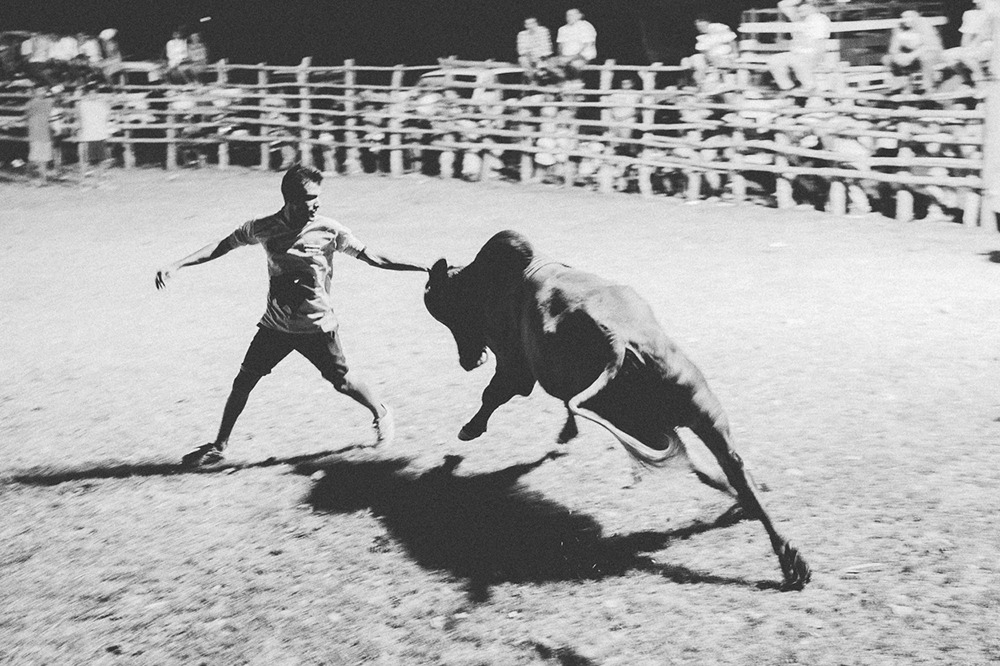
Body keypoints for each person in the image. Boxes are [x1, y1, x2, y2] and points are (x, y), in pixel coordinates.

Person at [155, 165, 428, 467]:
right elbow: (223, 245)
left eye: (318, 197)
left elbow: (375, 258)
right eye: (311, 198)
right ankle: (219, 446)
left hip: (317, 327)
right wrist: (178, 264)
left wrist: (423, 267)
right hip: (275, 326)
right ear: (291, 199)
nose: (317, 204)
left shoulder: (330, 230)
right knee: (244, 381)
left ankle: (381, 412)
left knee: (343, 382)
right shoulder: (263, 227)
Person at [767, 0, 832, 92]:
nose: (801, 8)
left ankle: (810, 90)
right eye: (800, 6)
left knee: (799, 62)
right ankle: (789, 89)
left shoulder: (819, 20)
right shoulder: (798, 17)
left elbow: (819, 45)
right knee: (774, 60)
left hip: (812, 55)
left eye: (806, 5)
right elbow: (782, 4)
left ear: (813, 7)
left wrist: (816, 59)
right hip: (796, 54)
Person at [883, 10, 944, 93]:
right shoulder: (899, 28)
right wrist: (898, 56)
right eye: (903, 17)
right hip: (910, 57)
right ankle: (902, 87)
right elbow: (893, 48)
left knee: (926, 56)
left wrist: (911, 56)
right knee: (888, 59)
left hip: (931, 55)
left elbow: (930, 46)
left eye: (909, 17)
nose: (905, 20)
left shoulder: (924, 25)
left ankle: (928, 87)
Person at [944, 0, 996, 86]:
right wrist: (966, 48)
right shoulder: (970, 14)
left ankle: (981, 78)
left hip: (988, 45)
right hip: (974, 47)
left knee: (967, 55)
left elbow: (985, 35)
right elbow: (966, 35)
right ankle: (968, 82)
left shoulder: (993, 14)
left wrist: (971, 47)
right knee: (947, 55)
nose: (978, 3)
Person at [683, 15, 738, 90]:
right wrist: (715, 62)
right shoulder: (701, 38)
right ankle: (700, 85)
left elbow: (732, 41)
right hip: (714, 60)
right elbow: (706, 53)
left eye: (701, 24)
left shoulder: (720, 28)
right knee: (695, 61)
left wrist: (735, 55)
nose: (700, 28)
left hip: (728, 57)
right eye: (698, 26)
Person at [556, 8, 597, 77]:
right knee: (549, 64)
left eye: (572, 15)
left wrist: (570, 58)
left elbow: (586, 46)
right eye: (568, 15)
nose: (569, 17)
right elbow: (560, 46)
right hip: (566, 57)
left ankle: (574, 84)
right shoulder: (562, 29)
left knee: (572, 67)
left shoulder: (586, 26)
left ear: (579, 16)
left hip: (582, 57)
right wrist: (561, 57)